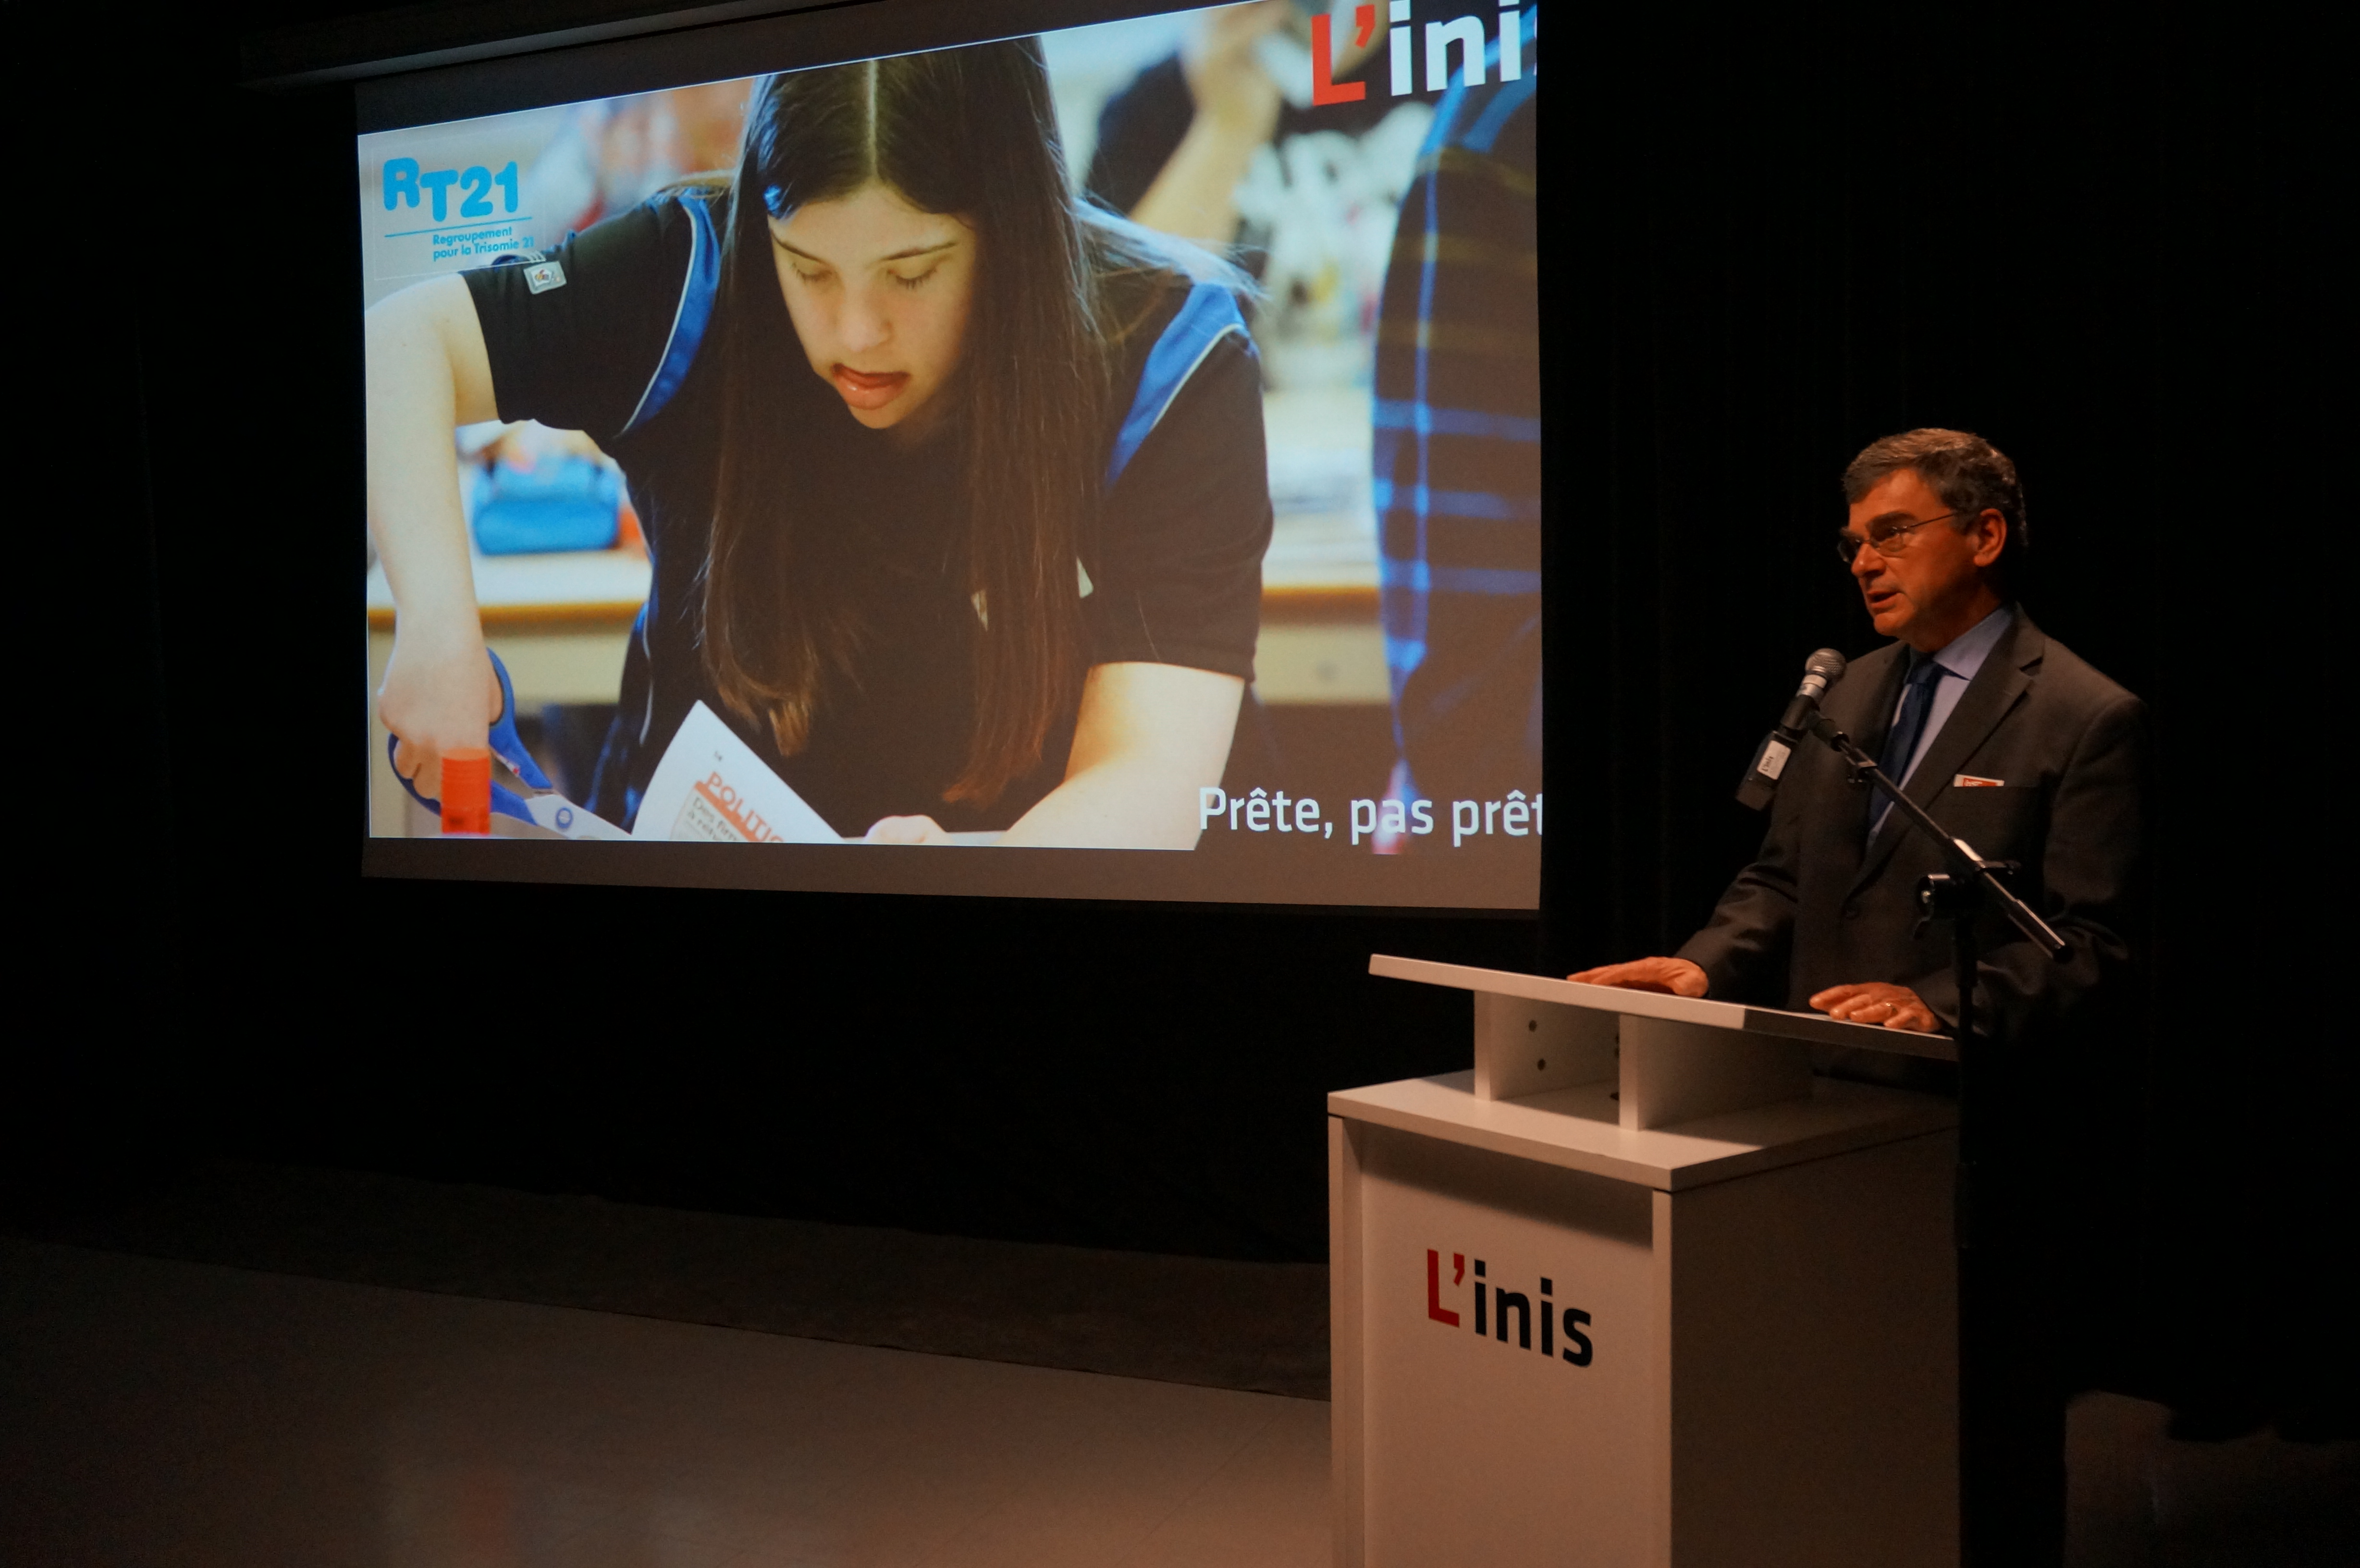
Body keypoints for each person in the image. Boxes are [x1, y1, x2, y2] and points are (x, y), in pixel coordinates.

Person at [368, 43, 1271, 847]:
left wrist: (974, 876)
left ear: (1015, 230)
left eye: (911, 274)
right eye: (807, 268)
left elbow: (1149, 778)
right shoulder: (695, 274)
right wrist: (438, 631)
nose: (856, 333)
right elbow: (400, 344)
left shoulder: (1166, 357)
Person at [1573, 428, 2148, 1564]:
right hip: (1816, 1127)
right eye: (1851, 545)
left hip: (1973, 1149)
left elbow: (2090, 945)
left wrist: (1936, 1004)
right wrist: (1703, 963)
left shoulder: (2083, 715)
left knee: (1981, 1434)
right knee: (1835, 1414)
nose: (1863, 564)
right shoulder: (1847, 693)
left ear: (1983, 535)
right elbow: (1782, 878)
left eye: (1890, 534)